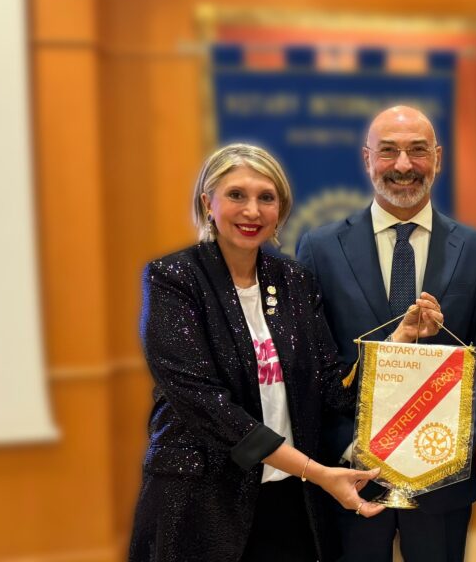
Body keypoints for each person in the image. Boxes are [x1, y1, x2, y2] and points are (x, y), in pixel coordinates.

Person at [128, 143, 444, 562]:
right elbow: (208, 407)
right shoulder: (175, 279)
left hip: (291, 501)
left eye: (266, 197)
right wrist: (316, 472)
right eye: (236, 195)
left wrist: (400, 340)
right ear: (208, 203)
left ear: (282, 209)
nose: (252, 211)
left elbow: (335, 389)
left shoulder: (294, 281)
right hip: (201, 500)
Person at [296, 105, 476, 562]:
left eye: (417, 151)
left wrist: (453, 443)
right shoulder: (319, 248)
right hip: (348, 473)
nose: (404, 165)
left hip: (440, 477)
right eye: (388, 152)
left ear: (438, 158)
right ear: (367, 158)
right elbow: (311, 364)